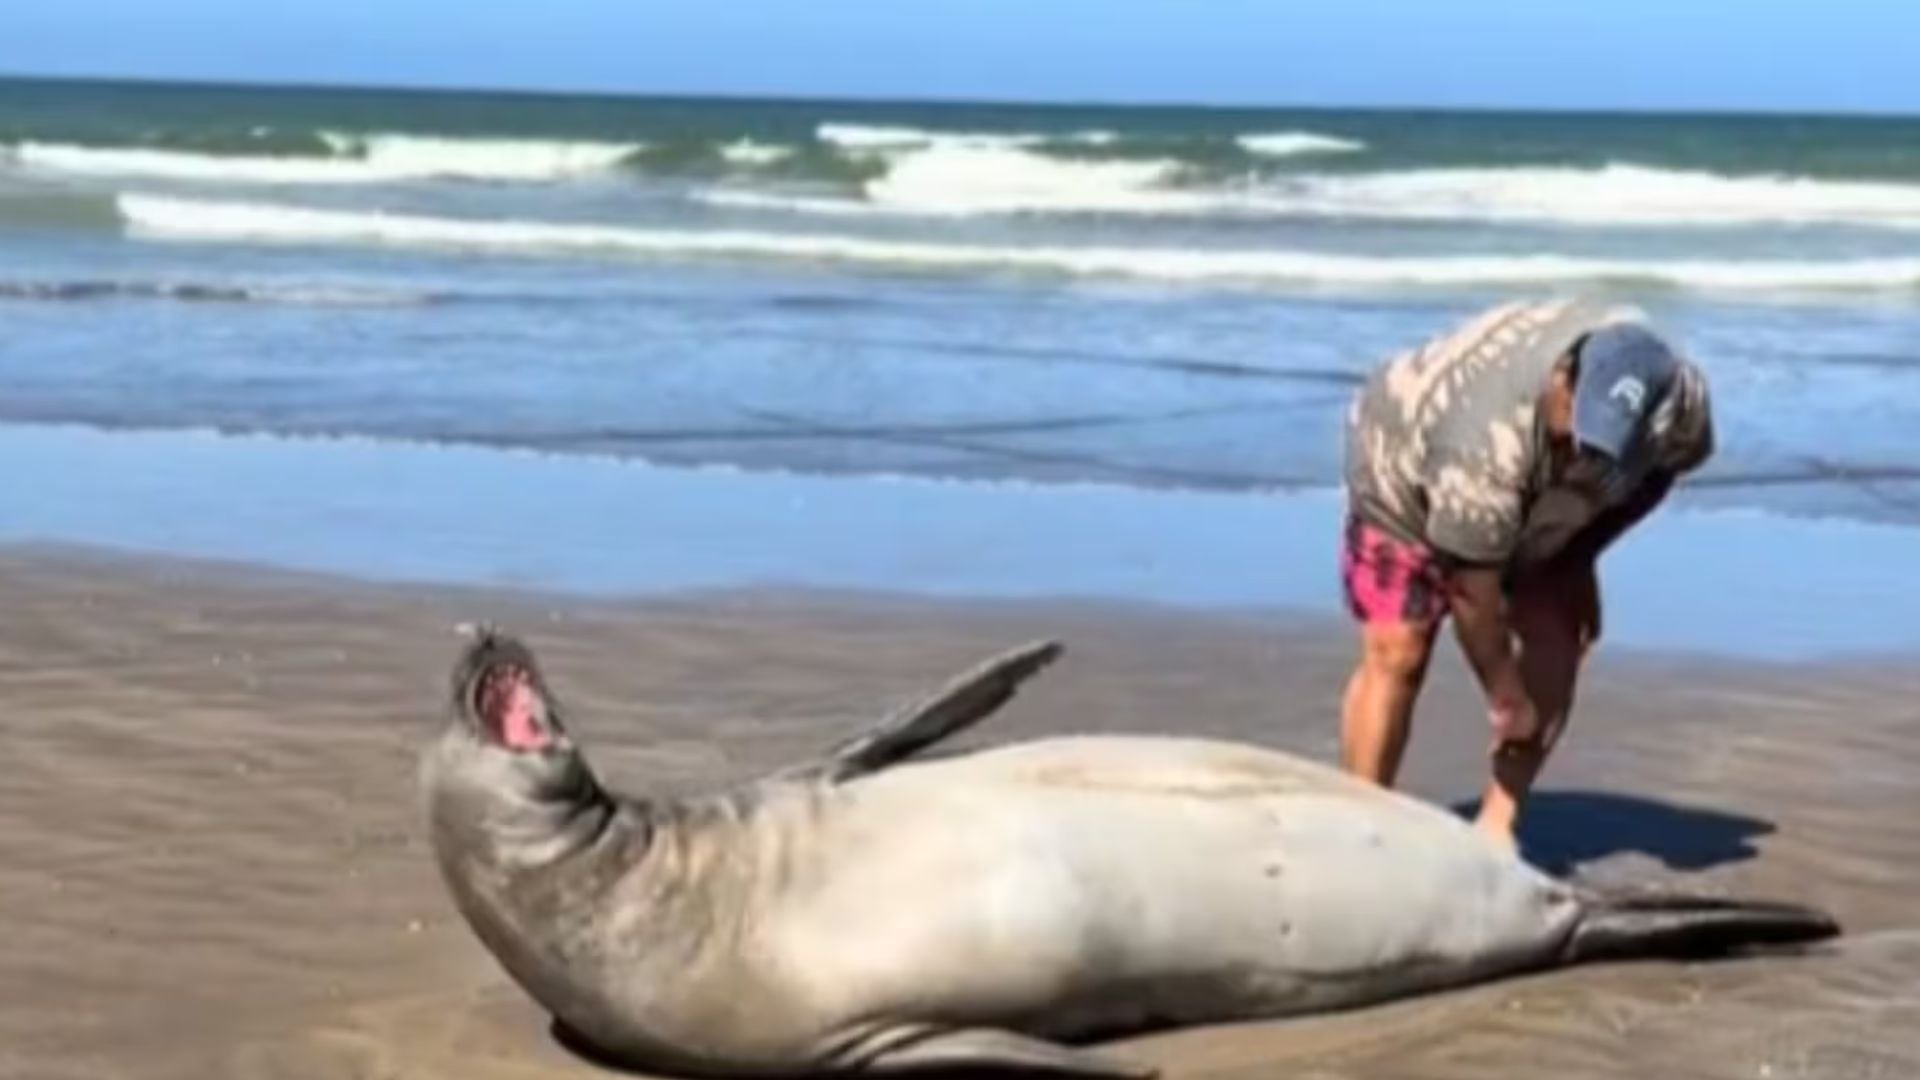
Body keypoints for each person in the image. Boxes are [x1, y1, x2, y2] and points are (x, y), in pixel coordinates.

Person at [1337, 296, 1714, 849]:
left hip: (1531, 487)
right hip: (1401, 458)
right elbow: (1472, 593)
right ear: (1563, 380)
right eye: (1581, 426)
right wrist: (1506, 696)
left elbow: (1656, 479)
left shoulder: (1679, 410)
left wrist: (1580, 555)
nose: (1581, 449)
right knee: (1401, 648)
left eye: (1607, 443)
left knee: (1558, 631)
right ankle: (1361, 824)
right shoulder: (1486, 445)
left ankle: (1497, 829)